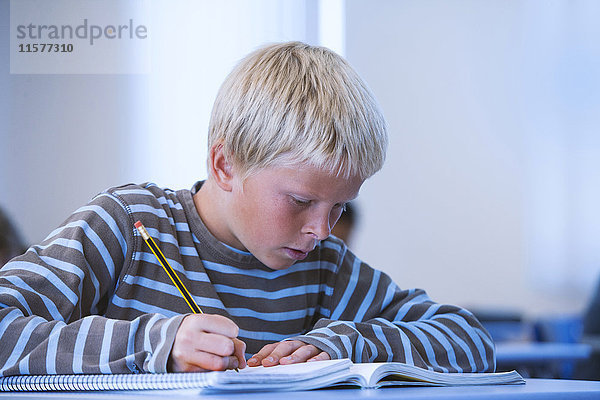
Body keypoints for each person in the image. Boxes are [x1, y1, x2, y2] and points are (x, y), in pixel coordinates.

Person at [0, 42, 495, 376]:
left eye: (340, 207)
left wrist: (348, 345)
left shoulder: (328, 272)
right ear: (224, 165)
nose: (323, 230)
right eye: (301, 201)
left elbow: (470, 340)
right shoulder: (129, 227)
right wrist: (155, 345)